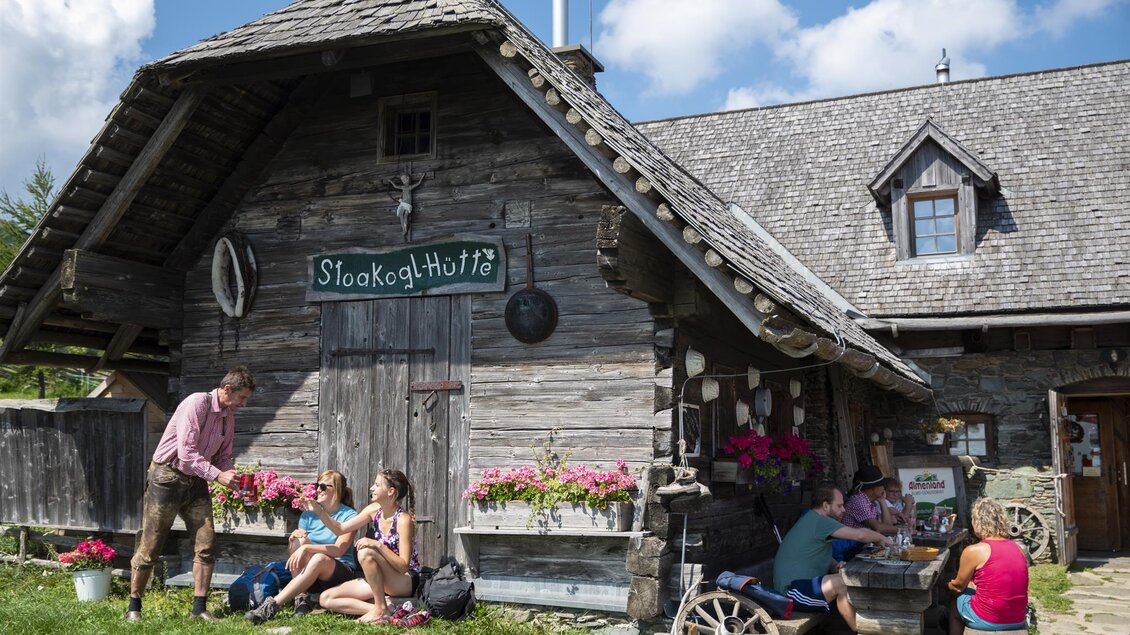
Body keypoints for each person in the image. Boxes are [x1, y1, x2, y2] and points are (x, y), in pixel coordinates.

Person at [125, 366, 255, 622]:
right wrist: (218, 475)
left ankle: (199, 610)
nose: (243, 403)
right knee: (151, 545)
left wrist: (232, 478)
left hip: (196, 481)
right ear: (227, 389)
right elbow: (186, 454)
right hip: (167, 477)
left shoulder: (228, 416)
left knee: (207, 544)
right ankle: (133, 607)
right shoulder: (196, 403)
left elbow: (224, 456)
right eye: (242, 397)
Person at [305, 468, 421, 624]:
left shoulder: (403, 520)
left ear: (391, 491)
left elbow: (403, 566)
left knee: (366, 551)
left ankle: (379, 608)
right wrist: (320, 511)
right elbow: (340, 529)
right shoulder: (374, 510)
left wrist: (377, 546)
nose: (371, 488)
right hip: (380, 578)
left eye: (377, 485)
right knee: (326, 598)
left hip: (402, 581)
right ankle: (385, 610)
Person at [246, 470, 361, 624]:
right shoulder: (308, 514)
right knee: (297, 540)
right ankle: (302, 599)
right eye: (316, 485)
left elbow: (339, 549)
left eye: (322, 486)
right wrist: (293, 541)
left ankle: (272, 605)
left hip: (338, 574)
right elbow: (295, 553)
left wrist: (308, 548)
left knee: (318, 558)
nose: (318, 489)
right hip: (310, 575)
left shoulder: (349, 515)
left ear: (337, 490)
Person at [774, 482, 891, 632]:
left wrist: (835, 565)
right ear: (825, 506)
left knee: (846, 579)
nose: (844, 509)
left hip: (801, 587)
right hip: (791, 594)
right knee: (842, 582)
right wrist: (883, 539)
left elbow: (813, 554)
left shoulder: (812, 519)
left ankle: (865, 625)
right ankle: (864, 630)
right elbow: (860, 535)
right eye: (839, 505)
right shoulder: (820, 521)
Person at [947, 498, 1030, 634]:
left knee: (954, 606)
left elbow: (958, 586)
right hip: (1018, 618)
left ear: (977, 522)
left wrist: (947, 586)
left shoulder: (975, 550)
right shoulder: (1018, 548)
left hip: (988, 619)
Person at [834, 465, 900, 561]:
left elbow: (887, 526)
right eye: (882, 485)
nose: (884, 488)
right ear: (873, 488)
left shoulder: (870, 501)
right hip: (850, 551)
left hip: (860, 548)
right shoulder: (859, 500)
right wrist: (902, 530)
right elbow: (878, 527)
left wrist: (882, 501)